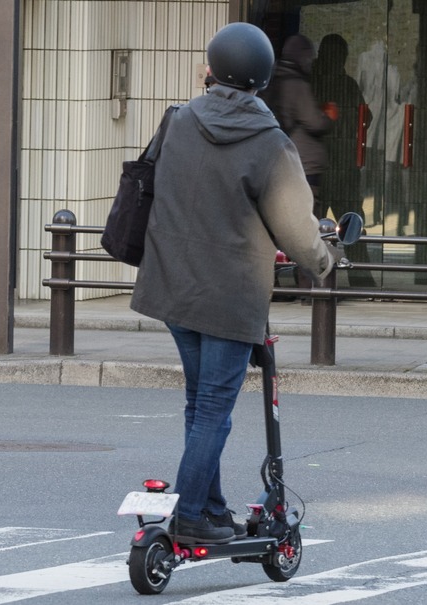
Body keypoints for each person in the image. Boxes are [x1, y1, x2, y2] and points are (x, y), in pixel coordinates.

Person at [130, 22, 338, 545]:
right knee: (213, 412)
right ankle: (193, 513)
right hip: (228, 296)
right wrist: (327, 257)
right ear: (261, 79)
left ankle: (213, 507)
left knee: (199, 405)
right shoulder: (270, 143)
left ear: (212, 69)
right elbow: (297, 229)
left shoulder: (178, 120)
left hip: (174, 283)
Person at [313, 33, 377, 288]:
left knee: (314, 227)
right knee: (351, 227)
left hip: (319, 167)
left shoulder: (312, 83)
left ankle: (308, 280)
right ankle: (362, 279)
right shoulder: (345, 84)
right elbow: (366, 117)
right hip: (341, 166)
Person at [261, 34, 335, 219]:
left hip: (277, 162)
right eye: (309, 56)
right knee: (305, 218)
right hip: (303, 165)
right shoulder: (295, 83)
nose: (311, 61)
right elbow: (314, 122)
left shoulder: (272, 79)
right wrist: (328, 115)